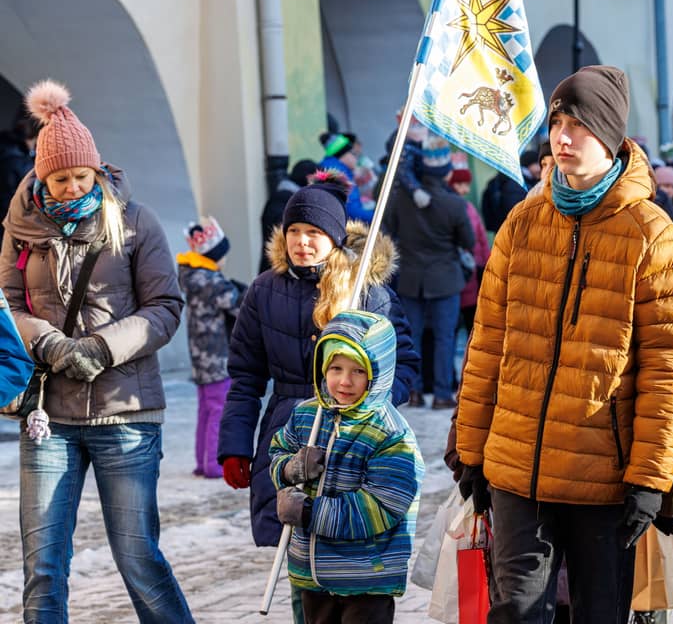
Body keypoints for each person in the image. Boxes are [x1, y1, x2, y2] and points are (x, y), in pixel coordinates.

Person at [455, 65, 673, 623]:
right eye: (557, 124)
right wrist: (472, 450)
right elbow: (486, 344)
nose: (562, 138)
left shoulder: (651, 233)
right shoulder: (523, 221)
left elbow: (667, 369)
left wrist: (650, 478)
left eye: (579, 126)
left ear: (609, 136)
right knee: (516, 611)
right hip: (518, 465)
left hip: (604, 474)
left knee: (600, 613)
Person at [1, 80, 193, 622]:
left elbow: (165, 308)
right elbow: (6, 304)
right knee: (43, 566)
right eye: (59, 179)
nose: (71, 188)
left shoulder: (134, 222)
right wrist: (46, 340)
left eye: (80, 176)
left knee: (138, 558)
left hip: (125, 413)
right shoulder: (20, 230)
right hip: (49, 416)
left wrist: (101, 348)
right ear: (41, 176)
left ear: (97, 170)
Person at [218, 170, 420, 608]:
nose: (302, 242)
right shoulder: (264, 290)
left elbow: (404, 363)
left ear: (334, 237)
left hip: (356, 441)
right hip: (290, 435)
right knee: (295, 549)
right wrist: (234, 444)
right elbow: (246, 376)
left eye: (313, 233)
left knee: (345, 541)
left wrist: (370, 405)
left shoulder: (367, 290)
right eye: (294, 231)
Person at [271, 310, 424, 623]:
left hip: (366, 576)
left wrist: (311, 513)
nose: (344, 381)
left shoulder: (389, 433)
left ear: (377, 374)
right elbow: (277, 451)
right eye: (335, 368)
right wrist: (290, 469)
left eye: (358, 371)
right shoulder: (307, 416)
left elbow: (382, 505)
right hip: (312, 570)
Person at [386, 138, 473, 409]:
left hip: (410, 277)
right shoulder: (454, 204)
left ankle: (413, 391)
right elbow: (468, 241)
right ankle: (442, 393)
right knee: (445, 338)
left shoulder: (401, 199)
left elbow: (388, 231)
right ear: (446, 172)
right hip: (445, 278)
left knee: (411, 337)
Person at [177, 215, 246, 478]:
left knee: (206, 410)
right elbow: (238, 306)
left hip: (199, 355)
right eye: (223, 255)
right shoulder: (213, 282)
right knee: (218, 410)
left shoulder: (194, 277)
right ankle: (213, 464)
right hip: (216, 355)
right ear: (215, 255)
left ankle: (201, 461)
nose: (225, 260)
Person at [449, 167, 491, 339]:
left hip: (473, 269)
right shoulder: (456, 207)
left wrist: (487, 261)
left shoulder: (468, 207)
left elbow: (481, 236)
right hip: (462, 270)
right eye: (461, 185)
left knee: (471, 318)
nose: (465, 189)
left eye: (467, 185)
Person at [259, 159, 318, 272]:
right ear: (309, 179)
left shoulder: (286, 198)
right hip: (278, 269)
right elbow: (282, 232)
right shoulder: (283, 200)